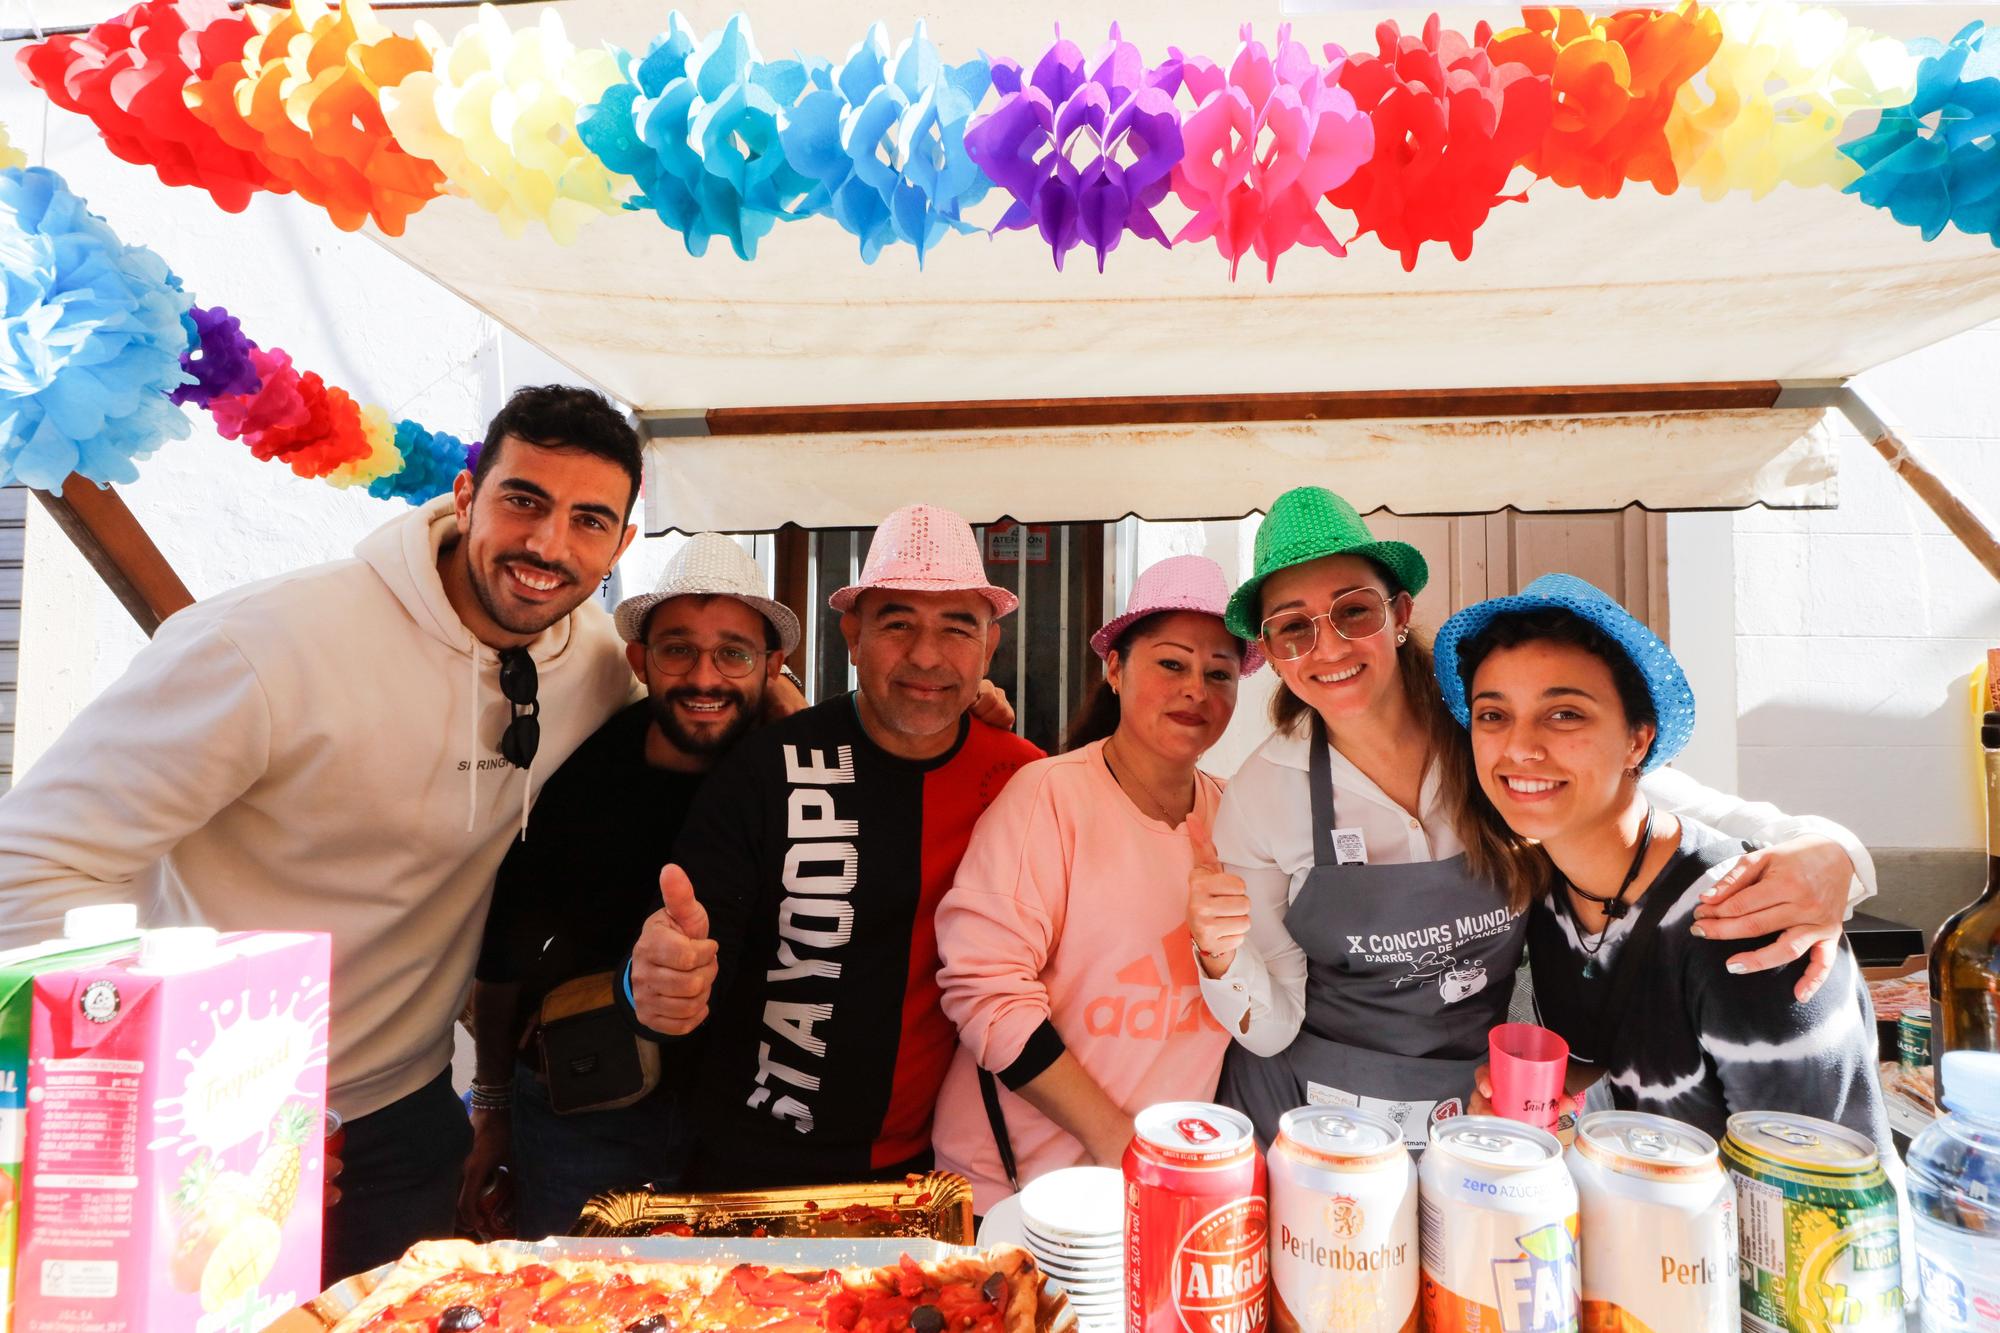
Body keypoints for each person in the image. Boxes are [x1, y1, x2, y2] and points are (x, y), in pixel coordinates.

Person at [0, 385, 646, 1280]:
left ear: (622, 545)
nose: (548, 545)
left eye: (588, 521)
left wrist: (790, 714)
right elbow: (32, 861)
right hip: (204, 1122)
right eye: (523, 501)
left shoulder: (600, 668)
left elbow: (695, 720)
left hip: (409, 1115)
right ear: (466, 495)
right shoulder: (262, 645)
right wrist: (189, 1101)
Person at [1188, 486, 1877, 1149]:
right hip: (1313, 1118)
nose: (1329, 646)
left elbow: (1672, 801)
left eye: (1354, 612)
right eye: (1293, 629)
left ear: (1399, 614)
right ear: (1274, 655)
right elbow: (1272, 1025)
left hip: (1482, 1110)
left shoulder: (1492, 738)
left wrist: (1834, 854)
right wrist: (1220, 957)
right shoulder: (1262, 800)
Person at [617, 503, 1043, 1188]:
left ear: (990, 646)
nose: (927, 655)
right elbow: (686, 948)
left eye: (957, 626)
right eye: (897, 622)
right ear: (852, 635)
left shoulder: (1025, 777)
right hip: (745, 1167)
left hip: (940, 1169)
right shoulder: (764, 767)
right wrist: (657, 982)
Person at [1438, 575, 1890, 1143]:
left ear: (1637, 742)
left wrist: (1837, 852)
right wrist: (1556, 1098)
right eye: (1492, 715)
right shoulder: (1550, 893)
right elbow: (1621, 1054)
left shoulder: (1749, 921)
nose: (1520, 748)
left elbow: (1823, 1183)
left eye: (1565, 714)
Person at [462, 534, 800, 1238]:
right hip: (585, 1110)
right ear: (640, 659)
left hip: (741, 1118)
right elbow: (504, 954)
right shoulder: (582, 776)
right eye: (678, 649)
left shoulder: (789, 767)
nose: (705, 677)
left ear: (771, 667)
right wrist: (490, 1108)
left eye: (733, 653)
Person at [933, 555, 1259, 1212]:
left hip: (1160, 1191)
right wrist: (1122, 1145)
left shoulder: (1243, 819)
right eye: (1171, 663)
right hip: (1015, 1193)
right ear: (1114, 667)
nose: (1197, 688)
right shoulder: (1047, 798)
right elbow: (988, 995)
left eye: (1218, 672)